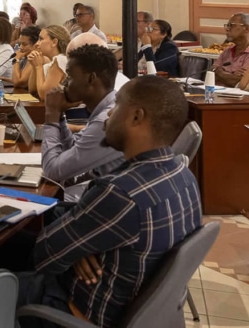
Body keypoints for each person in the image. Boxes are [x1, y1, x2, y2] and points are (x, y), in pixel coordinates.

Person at [18, 75, 201, 328]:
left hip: (77, 309)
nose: (108, 115)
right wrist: (80, 245)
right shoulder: (183, 174)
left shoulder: (120, 192)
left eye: (115, 107)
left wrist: (76, 246)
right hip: (130, 300)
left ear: (136, 117)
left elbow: (44, 254)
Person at [39, 44, 124, 198]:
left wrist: (51, 116)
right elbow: (73, 149)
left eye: (70, 76)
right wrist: (59, 116)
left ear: (91, 78)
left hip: (100, 203)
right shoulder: (106, 107)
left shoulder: (106, 120)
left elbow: (52, 172)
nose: (64, 83)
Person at [212, 12, 249, 88]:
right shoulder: (228, 50)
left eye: (231, 25)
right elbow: (211, 75)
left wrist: (219, 72)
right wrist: (230, 75)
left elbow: (240, 83)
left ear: (246, 28)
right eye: (227, 26)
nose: (227, 29)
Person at [27, 25, 70, 101]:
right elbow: (33, 90)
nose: (37, 44)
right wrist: (34, 66)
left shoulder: (60, 59)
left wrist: (38, 67)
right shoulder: (51, 63)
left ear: (54, 42)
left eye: (41, 39)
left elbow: (45, 95)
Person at [12, 26, 41, 90]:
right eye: (20, 44)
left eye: (24, 44)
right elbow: (19, 79)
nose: (21, 47)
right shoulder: (25, 57)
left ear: (36, 44)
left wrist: (16, 60)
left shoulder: (36, 57)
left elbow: (18, 82)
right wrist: (2, 78)